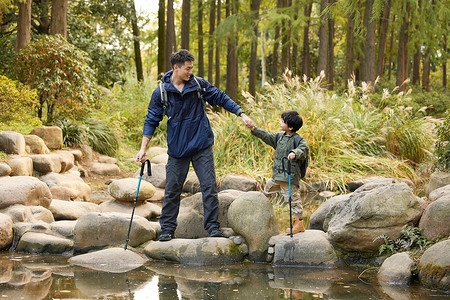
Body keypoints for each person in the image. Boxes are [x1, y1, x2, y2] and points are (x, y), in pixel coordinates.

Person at [136, 49, 253, 241]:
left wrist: (241, 113)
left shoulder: (198, 85)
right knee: (173, 189)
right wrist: (143, 149)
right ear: (176, 67)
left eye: (192, 68)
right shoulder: (162, 92)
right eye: (187, 68)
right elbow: (151, 119)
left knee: (209, 186)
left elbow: (220, 97)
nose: (190, 71)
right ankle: (167, 230)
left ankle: (213, 227)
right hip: (178, 150)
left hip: (201, 145)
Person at [247, 110, 309, 234]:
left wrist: (294, 153)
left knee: (292, 199)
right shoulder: (279, 137)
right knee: (268, 189)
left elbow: (303, 150)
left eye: (283, 121)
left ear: (290, 126)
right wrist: (254, 129)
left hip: (288, 176)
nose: (280, 122)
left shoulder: (298, 140)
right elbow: (266, 136)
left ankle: (299, 223)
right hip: (277, 175)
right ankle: (262, 211)